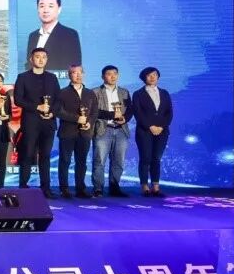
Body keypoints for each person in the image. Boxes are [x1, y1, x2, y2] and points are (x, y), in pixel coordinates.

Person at [14, 47, 61, 198]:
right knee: (28, 154)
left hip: (48, 122)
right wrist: (37, 107)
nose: (41, 60)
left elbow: (58, 99)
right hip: (30, 122)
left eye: (44, 57)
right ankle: (23, 186)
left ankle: (45, 188)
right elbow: (18, 100)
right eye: (37, 57)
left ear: (47, 60)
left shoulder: (52, 78)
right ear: (31, 59)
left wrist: (52, 112)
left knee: (45, 155)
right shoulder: (23, 77)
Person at [53, 65, 97, 199]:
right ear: (69, 75)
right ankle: (64, 189)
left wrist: (89, 122)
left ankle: (80, 189)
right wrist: (76, 118)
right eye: (74, 73)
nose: (77, 75)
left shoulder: (90, 93)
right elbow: (58, 111)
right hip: (67, 132)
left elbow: (94, 112)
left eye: (80, 72)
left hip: (85, 133)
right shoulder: (62, 92)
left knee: (82, 162)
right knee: (65, 161)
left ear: (83, 74)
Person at [91, 65, 132, 198]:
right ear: (103, 76)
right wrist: (111, 115)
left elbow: (130, 109)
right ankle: (98, 188)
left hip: (121, 130)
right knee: (99, 161)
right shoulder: (95, 92)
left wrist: (125, 119)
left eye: (115, 73)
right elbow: (93, 111)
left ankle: (114, 187)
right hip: (103, 129)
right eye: (109, 74)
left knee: (118, 161)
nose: (113, 76)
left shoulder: (124, 92)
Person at [132, 67, 173, 197]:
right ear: (144, 77)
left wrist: (161, 126)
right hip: (144, 131)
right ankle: (144, 186)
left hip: (162, 131)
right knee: (145, 158)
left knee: (156, 158)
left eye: (155, 75)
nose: (152, 77)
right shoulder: (138, 94)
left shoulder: (164, 93)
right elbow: (138, 113)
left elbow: (169, 113)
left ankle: (156, 186)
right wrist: (150, 126)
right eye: (149, 75)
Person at [25, 0, 81, 72]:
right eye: (42, 6)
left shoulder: (70, 34)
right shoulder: (33, 36)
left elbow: (74, 67)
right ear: (37, 9)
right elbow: (29, 63)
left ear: (59, 9)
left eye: (50, 6)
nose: (45, 10)